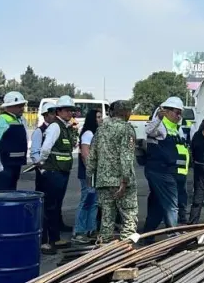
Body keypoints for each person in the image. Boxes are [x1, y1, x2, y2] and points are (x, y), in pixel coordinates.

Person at [89, 100, 138, 242]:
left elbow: (92, 155)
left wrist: (90, 177)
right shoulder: (126, 129)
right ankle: (126, 252)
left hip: (103, 182)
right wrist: (124, 181)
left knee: (106, 219)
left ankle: (104, 250)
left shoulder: (101, 129)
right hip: (121, 183)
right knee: (129, 218)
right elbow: (126, 157)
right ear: (125, 112)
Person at [32, 95, 77, 252]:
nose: (69, 113)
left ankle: (55, 238)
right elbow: (45, 148)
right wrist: (43, 164)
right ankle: (46, 241)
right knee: (49, 207)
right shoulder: (55, 127)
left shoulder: (65, 127)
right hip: (53, 172)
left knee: (56, 207)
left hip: (61, 171)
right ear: (59, 111)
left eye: (71, 110)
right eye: (66, 110)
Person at [141, 97, 189, 237]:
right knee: (171, 205)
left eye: (181, 113)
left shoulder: (176, 129)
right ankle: (173, 237)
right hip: (160, 172)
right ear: (166, 111)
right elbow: (148, 130)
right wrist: (158, 118)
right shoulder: (160, 125)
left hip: (172, 172)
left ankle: (147, 237)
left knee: (157, 206)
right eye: (176, 112)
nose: (179, 116)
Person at [0, 91, 29, 191]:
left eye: (22, 105)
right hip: (2, 168)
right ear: (9, 106)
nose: (22, 108)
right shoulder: (1, 120)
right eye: (18, 106)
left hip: (14, 166)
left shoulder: (19, 120)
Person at [72, 109, 101, 244]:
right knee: (86, 202)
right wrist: (91, 172)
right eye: (98, 117)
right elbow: (85, 154)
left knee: (94, 202)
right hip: (88, 174)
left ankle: (91, 229)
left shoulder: (96, 133)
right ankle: (79, 231)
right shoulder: (88, 134)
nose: (101, 119)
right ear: (92, 119)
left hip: (95, 173)